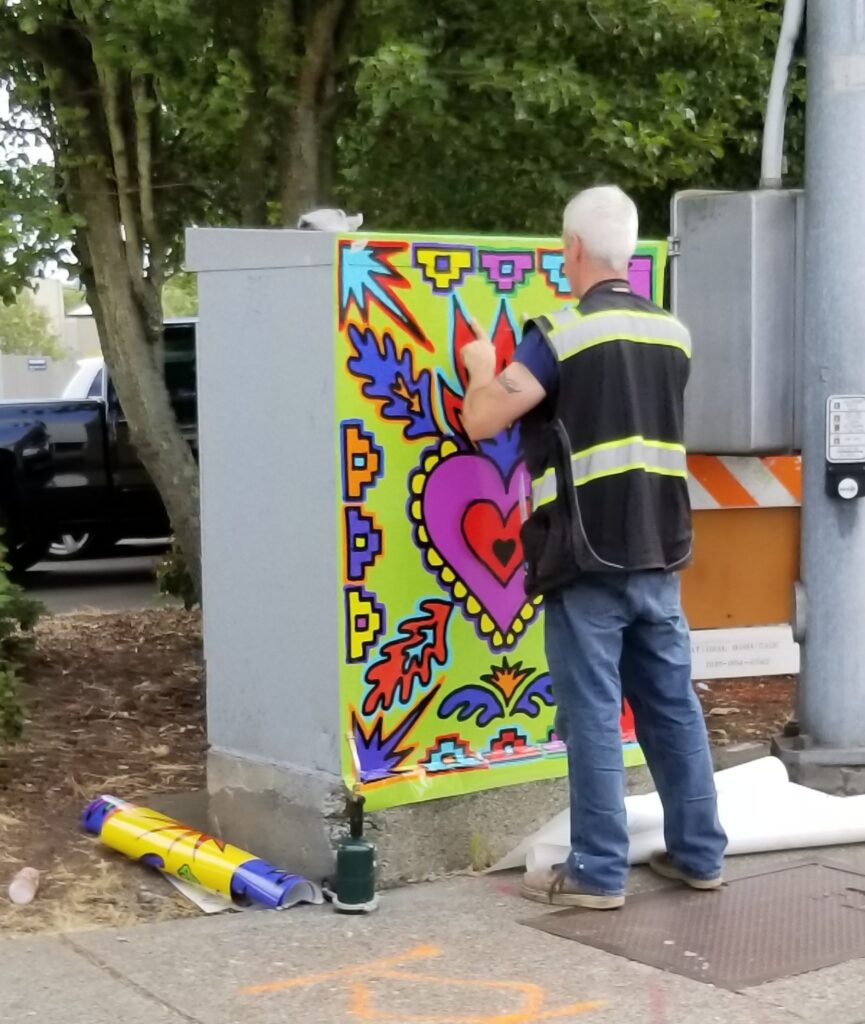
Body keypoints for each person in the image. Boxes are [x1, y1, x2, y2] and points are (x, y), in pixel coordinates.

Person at [460, 185, 727, 910]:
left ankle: (597, 873)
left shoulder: (559, 334)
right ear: (629, 252)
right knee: (671, 707)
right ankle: (701, 854)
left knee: (592, 714)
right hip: (659, 550)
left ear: (571, 250)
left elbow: (484, 420)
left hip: (585, 558)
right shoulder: (672, 333)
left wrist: (481, 363)